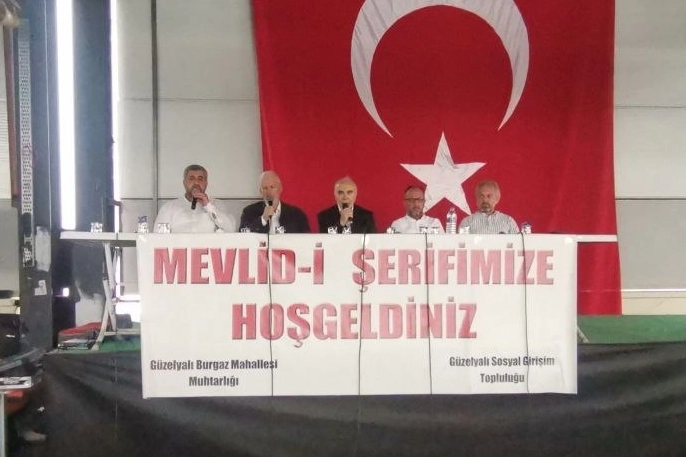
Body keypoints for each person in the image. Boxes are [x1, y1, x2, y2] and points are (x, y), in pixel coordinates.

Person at [154, 164, 236, 233]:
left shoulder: (217, 204)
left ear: (206, 183)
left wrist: (208, 206)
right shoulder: (169, 207)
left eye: (200, 179)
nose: (196, 183)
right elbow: (158, 237)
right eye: (191, 178)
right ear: (184, 183)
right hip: (178, 247)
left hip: (208, 247)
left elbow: (231, 229)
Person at [239, 171, 310, 233]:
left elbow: (306, 238)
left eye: (272, 187)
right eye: (265, 188)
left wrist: (280, 231)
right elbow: (243, 233)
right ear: (261, 192)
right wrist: (263, 219)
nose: (269, 192)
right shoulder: (249, 212)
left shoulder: (296, 214)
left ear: (280, 188)